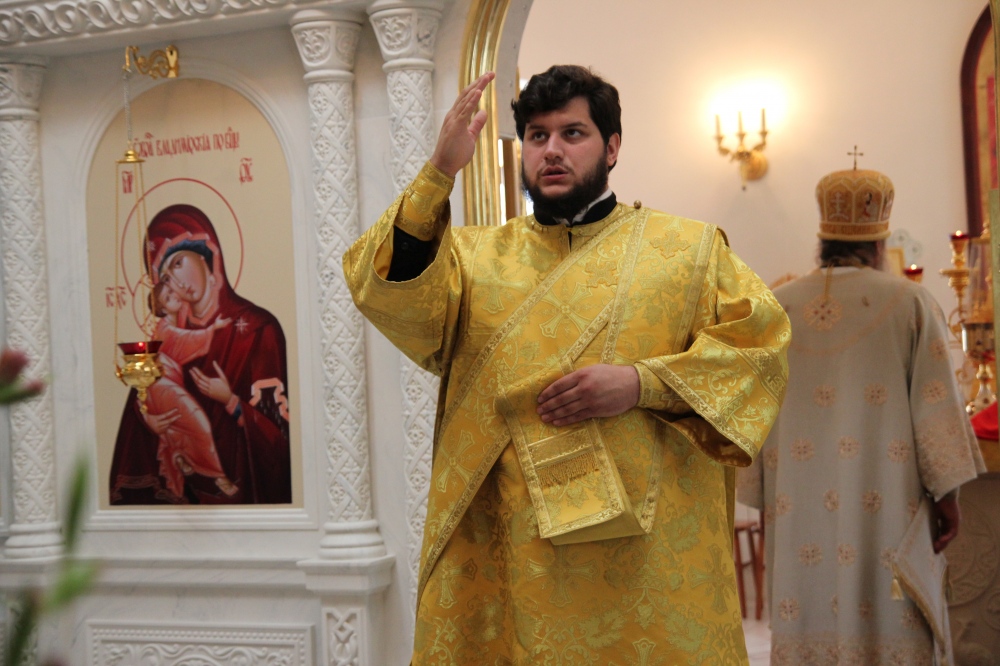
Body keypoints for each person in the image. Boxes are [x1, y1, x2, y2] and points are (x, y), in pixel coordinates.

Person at [344, 65, 791, 663]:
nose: (551, 150)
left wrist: (641, 383)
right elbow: (388, 291)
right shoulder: (473, 260)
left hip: (646, 559)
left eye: (572, 133)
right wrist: (438, 173)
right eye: (537, 135)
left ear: (612, 147)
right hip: (510, 548)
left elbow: (759, 352)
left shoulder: (689, 250)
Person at [738, 166, 986, 665]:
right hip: (887, 502)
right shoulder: (911, 303)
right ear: (879, 243)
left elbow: (752, 416)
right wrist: (949, 499)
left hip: (797, 506)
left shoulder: (776, 307)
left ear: (822, 239)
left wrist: (762, 496)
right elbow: (936, 410)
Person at [110, 204, 291, 505]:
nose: (177, 282)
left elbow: (280, 439)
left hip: (245, 502)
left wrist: (231, 401)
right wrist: (148, 422)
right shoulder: (165, 342)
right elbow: (143, 400)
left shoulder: (258, 330)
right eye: (166, 277)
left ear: (208, 254)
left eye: (178, 263)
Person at [147, 280, 238, 498]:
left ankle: (179, 455)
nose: (174, 296)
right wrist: (212, 329)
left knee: (182, 426)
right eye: (168, 298)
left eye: (171, 291)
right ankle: (218, 476)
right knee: (200, 424)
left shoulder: (178, 316)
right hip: (161, 386)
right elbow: (186, 339)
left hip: (169, 384)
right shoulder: (165, 330)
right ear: (162, 310)